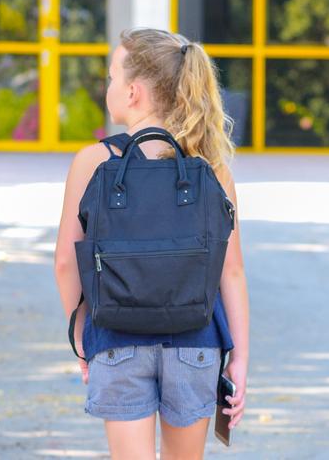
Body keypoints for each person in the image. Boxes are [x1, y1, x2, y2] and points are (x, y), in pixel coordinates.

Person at [53, 28, 249, 460]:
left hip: (116, 340)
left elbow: (66, 264)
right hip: (196, 343)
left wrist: (81, 335)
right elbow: (230, 271)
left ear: (134, 92)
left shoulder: (94, 162)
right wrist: (240, 358)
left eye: (111, 78)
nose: (109, 87)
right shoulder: (211, 167)